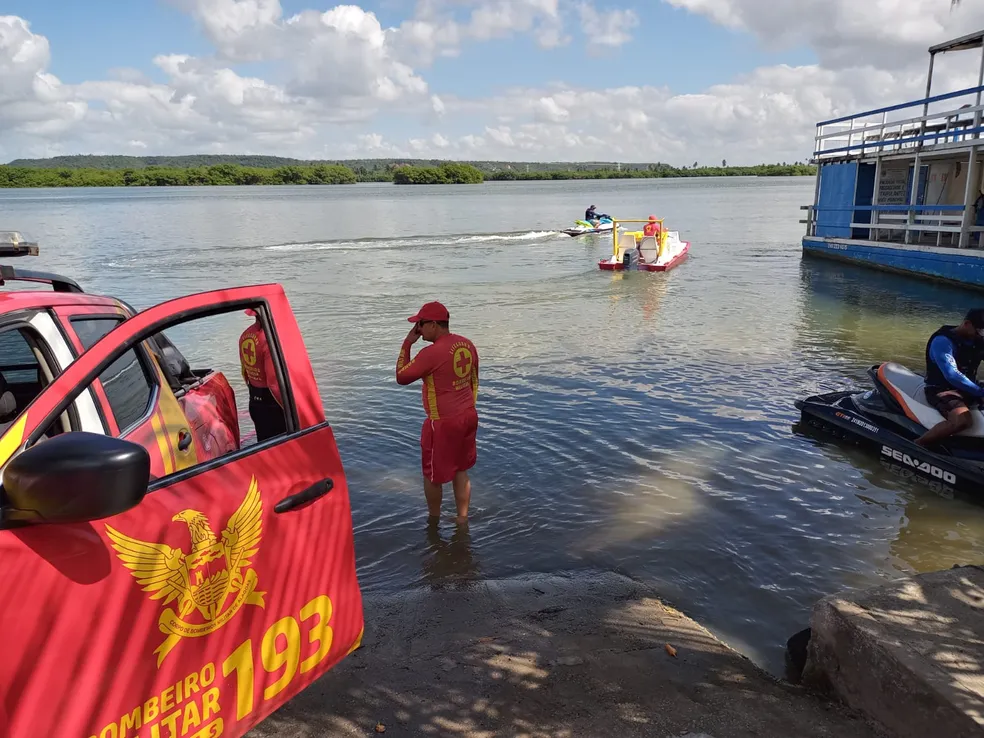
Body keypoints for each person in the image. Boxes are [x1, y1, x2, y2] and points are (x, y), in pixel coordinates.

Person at [396, 301, 479, 522]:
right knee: (461, 469)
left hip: (443, 422)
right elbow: (474, 381)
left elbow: (401, 377)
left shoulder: (431, 353)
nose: (418, 330)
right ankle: (462, 519)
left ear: (433, 324)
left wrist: (407, 343)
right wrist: (467, 406)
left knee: (432, 475)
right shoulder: (467, 344)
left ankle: (433, 521)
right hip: (468, 416)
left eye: (420, 324)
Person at [916, 308, 984, 447]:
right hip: (942, 389)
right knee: (962, 421)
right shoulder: (943, 341)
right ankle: (917, 446)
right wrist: (980, 392)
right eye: (981, 331)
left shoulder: (978, 339)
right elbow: (951, 375)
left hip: (969, 387)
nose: (982, 335)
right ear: (967, 324)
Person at [239, 309, 286, 442]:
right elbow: (274, 383)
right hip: (273, 407)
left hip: (255, 403)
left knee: (264, 448)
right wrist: (290, 409)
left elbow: (244, 373)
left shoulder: (245, 335)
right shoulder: (269, 339)